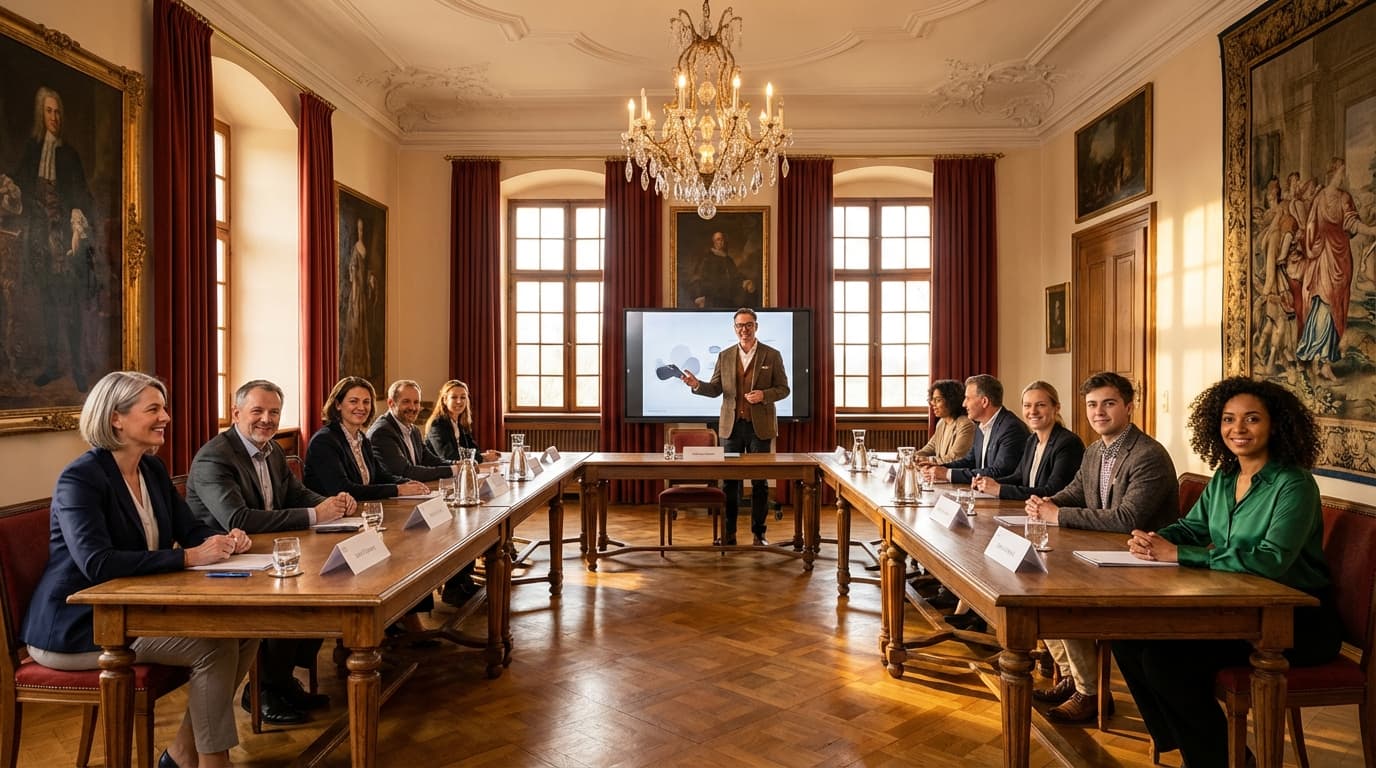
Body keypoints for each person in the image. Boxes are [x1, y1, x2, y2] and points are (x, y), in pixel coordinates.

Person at [20, 371, 256, 768]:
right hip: (77, 626)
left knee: (246, 630)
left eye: (164, 408)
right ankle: (213, 762)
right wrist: (189, 558)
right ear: (116, 418)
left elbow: (190, 530)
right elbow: (97, 563)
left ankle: (183, 755)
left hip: (133, 611)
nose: (166, 417)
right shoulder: (80, 479)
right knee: (214, 646)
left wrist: (225, 539)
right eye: (153, 409)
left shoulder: (152, 469)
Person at [1116, 377, 1342, 767]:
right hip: (1238, 606)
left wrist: (1179, 555)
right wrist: (1153, 540)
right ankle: (1193, 747)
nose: (1238, 428)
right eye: (1228, 419)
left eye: (1252, 418)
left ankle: (1221, 761)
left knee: (1165, 662)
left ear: (1276, 424)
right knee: (1126, 636)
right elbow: (1193, 528)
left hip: (1296, 619)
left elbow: (1271, 560)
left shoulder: (1294, 484)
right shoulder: (1225, 476)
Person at [186, 379, 355, 725]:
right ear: (236, 413)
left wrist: (332, 504)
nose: (267, 419)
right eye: (258, 411)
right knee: (294, 597)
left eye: (274, 412)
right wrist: (315, 515)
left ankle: (280, 680)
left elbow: (296, 493)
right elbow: (238, 519)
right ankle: (261, 689)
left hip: (265, 554)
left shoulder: (273, 450)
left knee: (327, 582)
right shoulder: (214, 457)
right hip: (221, 565)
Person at [1024, 371, 1178, 723]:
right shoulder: (1095, 450)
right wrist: (1047, 502)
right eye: (1092, 405)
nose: (1099, 412)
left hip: (1145, 562)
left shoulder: (1147, 454)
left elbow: (1126, 518)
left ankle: (1091, 693)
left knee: (1061, 597)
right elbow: (1076, 491)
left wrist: (1058, 515)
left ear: (1129, 407)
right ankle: (1072, 677)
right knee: (1037, 582)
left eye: (1108, 404)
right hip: (1106, 553)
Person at [680, 307, 791, 546]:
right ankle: (728, 533)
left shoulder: (772, 355)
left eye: (749, 325)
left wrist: (764, 395)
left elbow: (784, 389)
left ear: (756, 327)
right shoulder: (725, 355)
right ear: (734, 328)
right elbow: (715, 389)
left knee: (760, 483)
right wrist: (696, 384)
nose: (744, 330)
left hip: (760, 429)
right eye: (740, 326)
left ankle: (759, 534)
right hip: (731, 429)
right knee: (729, 482)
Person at [370, 379, 480, 606]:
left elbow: (429, 459)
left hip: (411, 497)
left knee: (465, 519)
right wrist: (454, 469)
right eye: (406, 402)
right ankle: (428, 597)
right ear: (391, 403)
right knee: (451, 524)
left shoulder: (410, 429)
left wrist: (456, 465)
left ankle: (459, 581)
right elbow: (405, 471)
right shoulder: (382, 431)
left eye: (416, 402)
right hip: (390, 505)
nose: (413, 407)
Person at [18, 86, 96, 391]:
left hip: (66, 239)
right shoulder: (32, 150)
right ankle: (52, 365)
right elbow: (19, 182)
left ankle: (77, 368)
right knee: (48, 304)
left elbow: (81, 194)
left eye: (58, 112)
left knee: (72, 305)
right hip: (39, 238)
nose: (54, 117)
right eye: (49, 111)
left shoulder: (70, 155)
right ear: (41, 114)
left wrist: (77, 222)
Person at [1296, 157, 1376, 381]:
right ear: (1333, 173)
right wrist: (1314, 247)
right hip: (1323, 259)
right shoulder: (1320, 199)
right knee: (1323, 305)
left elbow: (1351, 223)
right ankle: (1320, 360)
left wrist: (1370, 230)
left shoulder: (1344, 198)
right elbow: (1311, 228)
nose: (1343, 177)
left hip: (1339, 259)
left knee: (1335, 307)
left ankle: (1323, 361)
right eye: (1341, 173)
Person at [303, 376, 431, 501]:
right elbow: (343, 489)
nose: (361, 407)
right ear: (338, 404)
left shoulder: (362, 439)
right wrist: (398, 489)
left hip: (360, 508)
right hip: (331, 513)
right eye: (353, 401)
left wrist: (408, 483)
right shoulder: (324, 441)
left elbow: (380, 476)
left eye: (366, 402)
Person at [973, 380, 1084, 501]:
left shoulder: (1068, 443)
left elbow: (1053, 492)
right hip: (1030, 509)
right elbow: (1018, 477)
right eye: (1027, 406)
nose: (1033, 411)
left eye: (1041, 405)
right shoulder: (1032, 440)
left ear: (1056, 408)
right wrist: (987, 483)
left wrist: (999, 489)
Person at [923, 374, 1029, 485]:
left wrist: (947, 474)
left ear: (984, 401)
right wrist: (939, 468)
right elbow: (970, 461)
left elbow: (999, 472)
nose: (963, 404)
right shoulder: (980, 425)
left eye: (968, 398)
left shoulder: (1011, 428)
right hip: (981, 490)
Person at [425, 379, 500, 463]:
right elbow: (448, 455)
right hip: (441, 469)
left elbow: (472, 448)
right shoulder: (437, 424)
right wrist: (483, 457)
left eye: (463, 397)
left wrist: (486, 454)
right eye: (454, 397)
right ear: (445, 400)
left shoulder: (461, 423)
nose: (459, 401)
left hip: (459, 467)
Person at [914, 379, 975, 464]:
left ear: (951, 401)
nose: (933, 404)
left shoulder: (966, 425)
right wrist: (913, 456)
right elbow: (931, 447)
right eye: (932, 399)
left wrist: (928, 460)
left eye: (938, 400)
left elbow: (955, 457)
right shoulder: (941, 422)